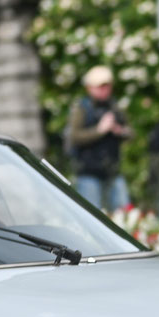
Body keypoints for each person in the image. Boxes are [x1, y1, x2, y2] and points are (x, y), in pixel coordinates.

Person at [65, 66, 130, 210]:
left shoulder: (114, 106)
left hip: (113, 171)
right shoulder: (81, 108)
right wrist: (99, 130)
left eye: (107, 86)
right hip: (89, 173)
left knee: (123, 213)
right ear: (89, 88)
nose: (104, 90)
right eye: (100, 86)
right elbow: (74, 137)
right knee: (92, 215)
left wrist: (118, 130)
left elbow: (130, 133)